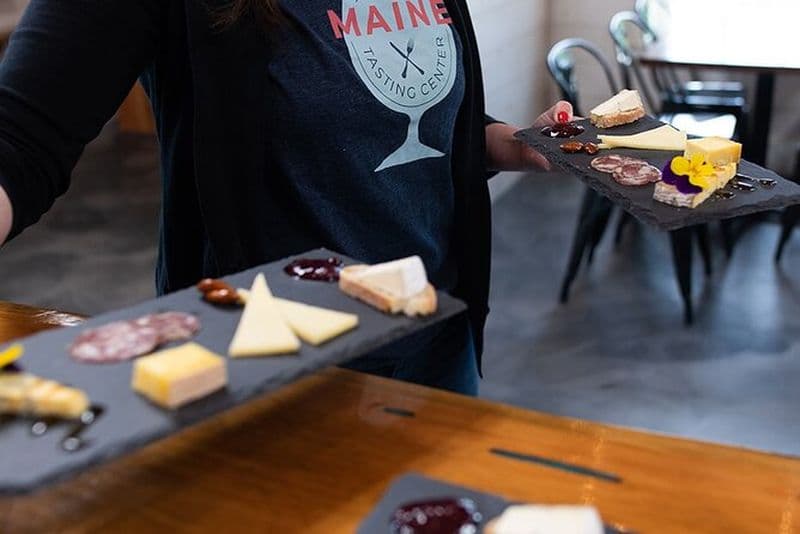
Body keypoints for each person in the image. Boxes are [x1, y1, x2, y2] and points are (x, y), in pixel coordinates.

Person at [0, 0, 572, 396]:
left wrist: (504, 143)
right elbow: (20, 138)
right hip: (274, 359)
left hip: (438, 332)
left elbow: (402, 114)